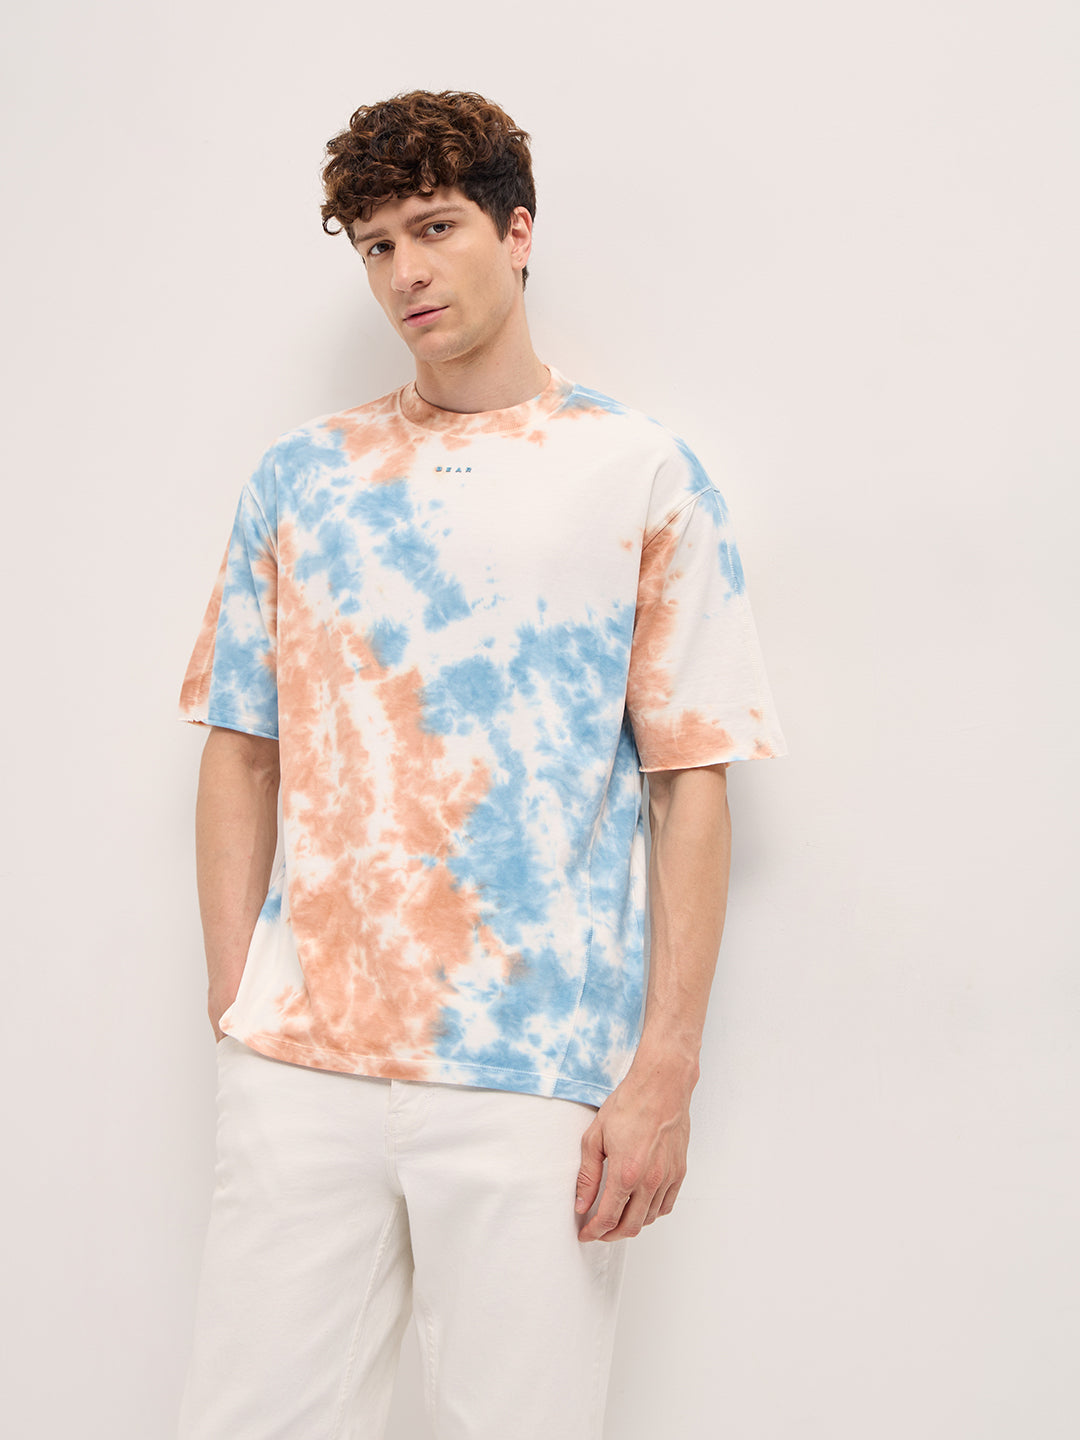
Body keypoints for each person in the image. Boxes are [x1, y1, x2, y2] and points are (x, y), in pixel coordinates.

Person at [175, 88, 788, 1440]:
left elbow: (690, 782)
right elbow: (240, 749)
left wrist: (666, 1070)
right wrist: (238, 1000)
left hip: (534, 1069)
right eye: (377, 245)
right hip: (303, 1067)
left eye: (435, 227)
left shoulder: (639, 473)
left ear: (517, 231)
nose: (406, 270)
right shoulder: (301, 478)